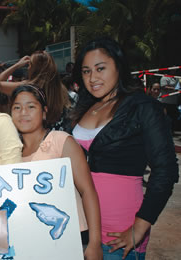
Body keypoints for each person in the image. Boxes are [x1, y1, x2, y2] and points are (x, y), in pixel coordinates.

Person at [70, 37, 179, 260]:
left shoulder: (142, 106)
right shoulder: (82, 108)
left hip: (118, 234)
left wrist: (140, 226)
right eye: (86, 71)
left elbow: (165, 170)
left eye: (100, 68)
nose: (93, 78)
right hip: (78, 229)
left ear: (119, 67)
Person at [10, 84, 102, 260]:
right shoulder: (10, 152)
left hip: (72, 236)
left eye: (31, 106)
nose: (23, 113)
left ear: (44, 111)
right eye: (17, 107)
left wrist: (95, 242)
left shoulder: (61, 141)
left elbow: (87, 190)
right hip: (31, 241)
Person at [0, 51, 72, 131]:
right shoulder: (61, 89)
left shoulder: (27, 88)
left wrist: (17, 65)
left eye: (30, 64)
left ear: (35, 68)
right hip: (58, 136)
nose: (28, 68)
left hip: (35, 137)